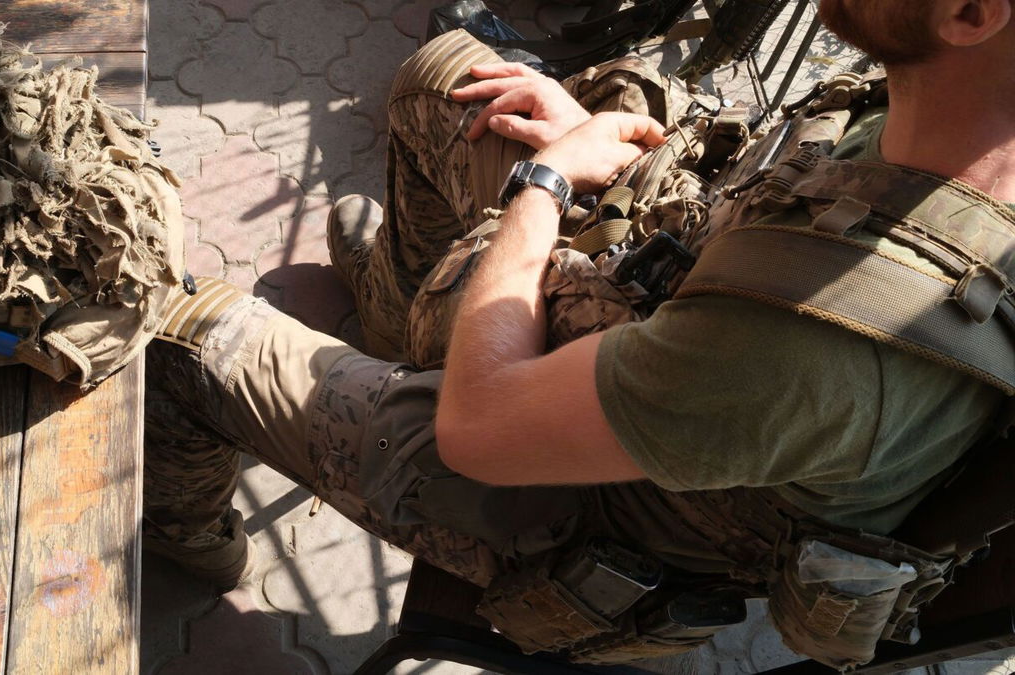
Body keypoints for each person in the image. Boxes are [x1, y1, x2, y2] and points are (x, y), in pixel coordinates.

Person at [142, 0, 1015, 666]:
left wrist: (547, 182)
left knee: (173, 335)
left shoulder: (817, 348)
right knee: (446, 77)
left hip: (574, 503)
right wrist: (626, 159)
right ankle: (397, 312)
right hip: (667, 342)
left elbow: (478, 428)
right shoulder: (955, 112)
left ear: (971, 13)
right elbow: (786, 192)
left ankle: (195, 540)